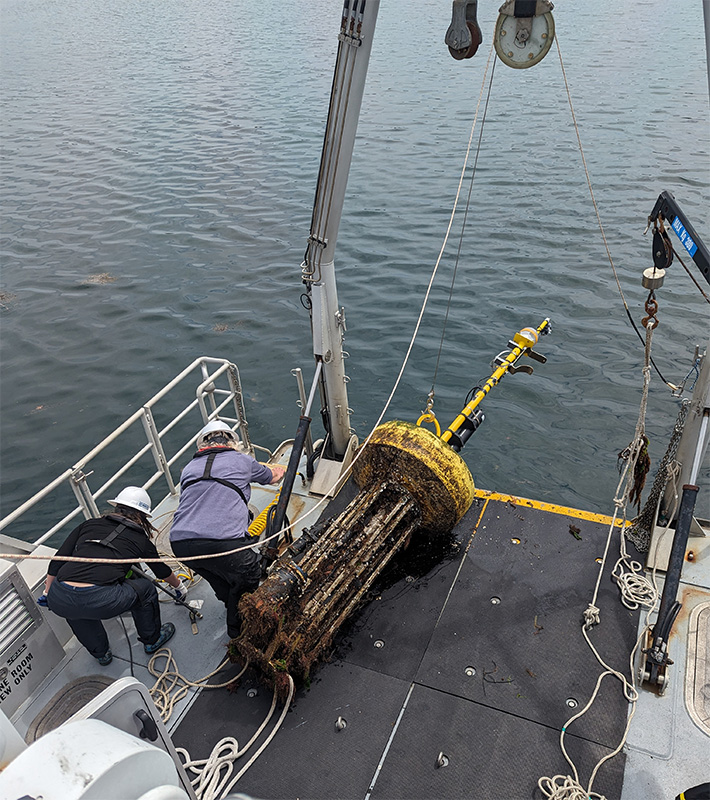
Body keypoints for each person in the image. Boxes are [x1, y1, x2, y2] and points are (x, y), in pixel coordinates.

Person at [169, 420, 286, 639]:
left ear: (202, 445)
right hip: (221, 541)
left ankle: (229, 602)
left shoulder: (188, 468)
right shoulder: (241, 460)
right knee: (250, 570)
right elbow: (272, 478)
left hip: (181, 543)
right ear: (232, 443)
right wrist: (278, 469)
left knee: (216, 574)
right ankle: (237, 626)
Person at [45, 486, 182, 665]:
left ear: (117, 507)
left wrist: (48, 593)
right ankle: (152, 640)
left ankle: (101, 653)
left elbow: (57, 562)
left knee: (75, 609)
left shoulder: (88, 525)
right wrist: (179, 587)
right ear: (142, 516)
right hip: (101, 600)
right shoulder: (141, 539)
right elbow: (161, 571)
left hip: (59, 596)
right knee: (146, 589)